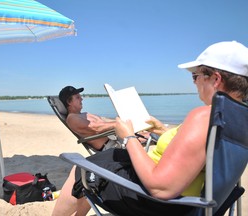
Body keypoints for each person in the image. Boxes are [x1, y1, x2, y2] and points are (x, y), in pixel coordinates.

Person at [52, 41, 248, 216]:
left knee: (83, 170)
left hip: (159, 204)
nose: (195, 82)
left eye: (195, 76)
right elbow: (203, 149)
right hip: (190, 198)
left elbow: (160, 188)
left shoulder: (204, 117)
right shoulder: (234, 119)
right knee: (102, 161)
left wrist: (129, 137)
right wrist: (163, 131)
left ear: (215, 79)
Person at [59, 86, 121, 151]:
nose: (81, 99)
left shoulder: (84, 114)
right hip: (110, 148)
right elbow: (97, 128)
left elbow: (104, 122)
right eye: (77, 97)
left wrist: (120, 120)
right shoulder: (72, 118)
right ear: (69, 102)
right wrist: (118, 123)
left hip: (115, 141)